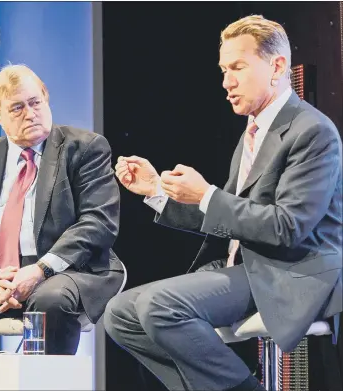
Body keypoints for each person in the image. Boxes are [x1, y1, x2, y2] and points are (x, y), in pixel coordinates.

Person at [104, 15, 342, 391]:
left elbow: (287, 227)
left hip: (289, 272)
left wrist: (208, 195)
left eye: (237, 68)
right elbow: (224, 217)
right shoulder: (252, 133)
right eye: (223, 70)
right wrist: (156, 191)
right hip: (245, 268)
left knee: (159, 306)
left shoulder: (312, 131)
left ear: (277, 66)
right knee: (119, 314)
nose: (226, 82)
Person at [0, 64, 124, 355]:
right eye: (17, 108)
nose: (30, 114)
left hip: (62, 272)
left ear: (46, 98)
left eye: (35, 102)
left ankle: (39, 382)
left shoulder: (85, 148)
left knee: (48, 303)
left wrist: (40, 270)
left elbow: (98, 221)